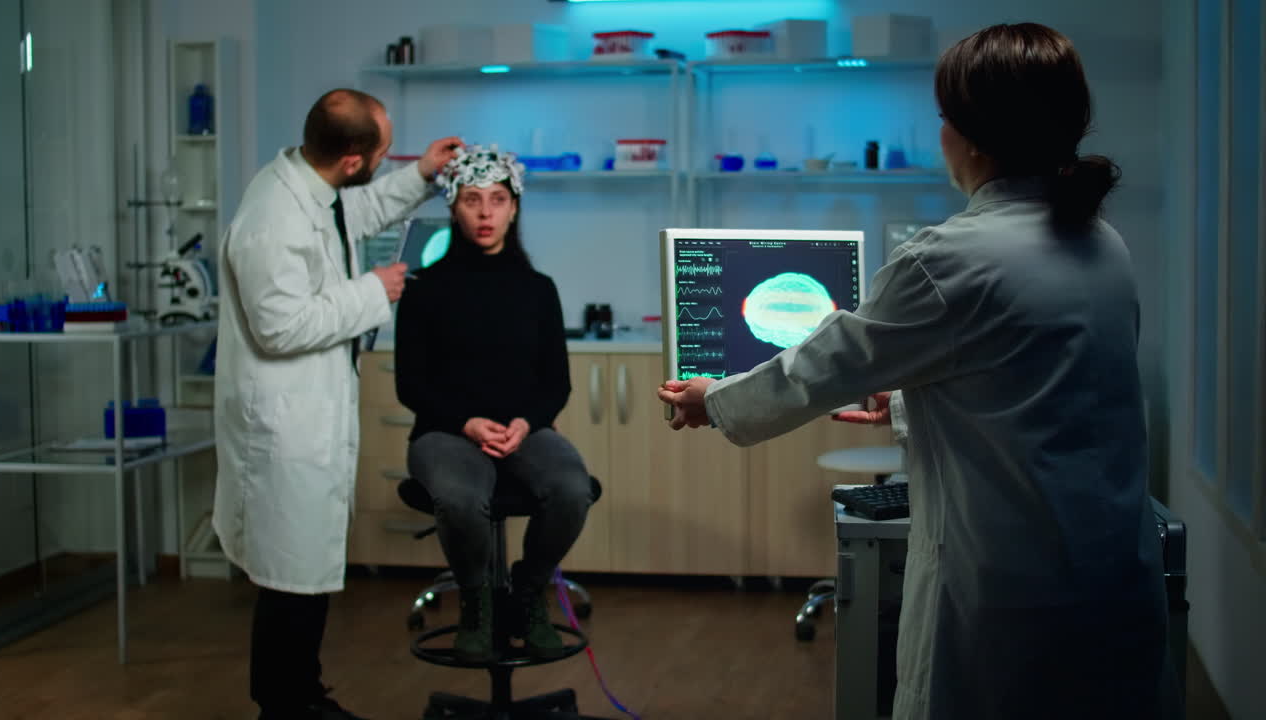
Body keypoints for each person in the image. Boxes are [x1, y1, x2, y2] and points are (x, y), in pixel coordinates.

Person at [658, 24, 1178, 720]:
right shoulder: (1103, 242)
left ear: (971, 135)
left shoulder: (947, 259)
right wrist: (907, 403)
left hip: (1008, 603)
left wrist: (711, 400)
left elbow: (819, 368)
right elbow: (1038, 394)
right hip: (1113, 581)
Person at [212, 87, 461, 720]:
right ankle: (288, 704)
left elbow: (360, 210)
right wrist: (372, 291)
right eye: (382, 149)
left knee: (302, 572)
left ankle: (299, 696)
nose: (385, 158)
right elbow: (280, 327)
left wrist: (423, 174)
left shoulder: (311, 189)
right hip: (284, 425)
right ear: (351, 158)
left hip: (310, 416)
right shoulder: (273, 218)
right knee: (290, 577)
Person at [395, 145, 594, 662]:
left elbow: (557, 383)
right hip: (445, 431)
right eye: (472, 200)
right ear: (453, 207)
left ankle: (525, 593)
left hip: (523, 431)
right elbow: (409, 385)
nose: (485, 213)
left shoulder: (537, 289)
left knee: (573, 488)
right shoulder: (422, 289)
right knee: (461, 499)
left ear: (514, 207)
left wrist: (526, 424)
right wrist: (467, 423)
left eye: (498, 200)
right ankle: (478, 602)